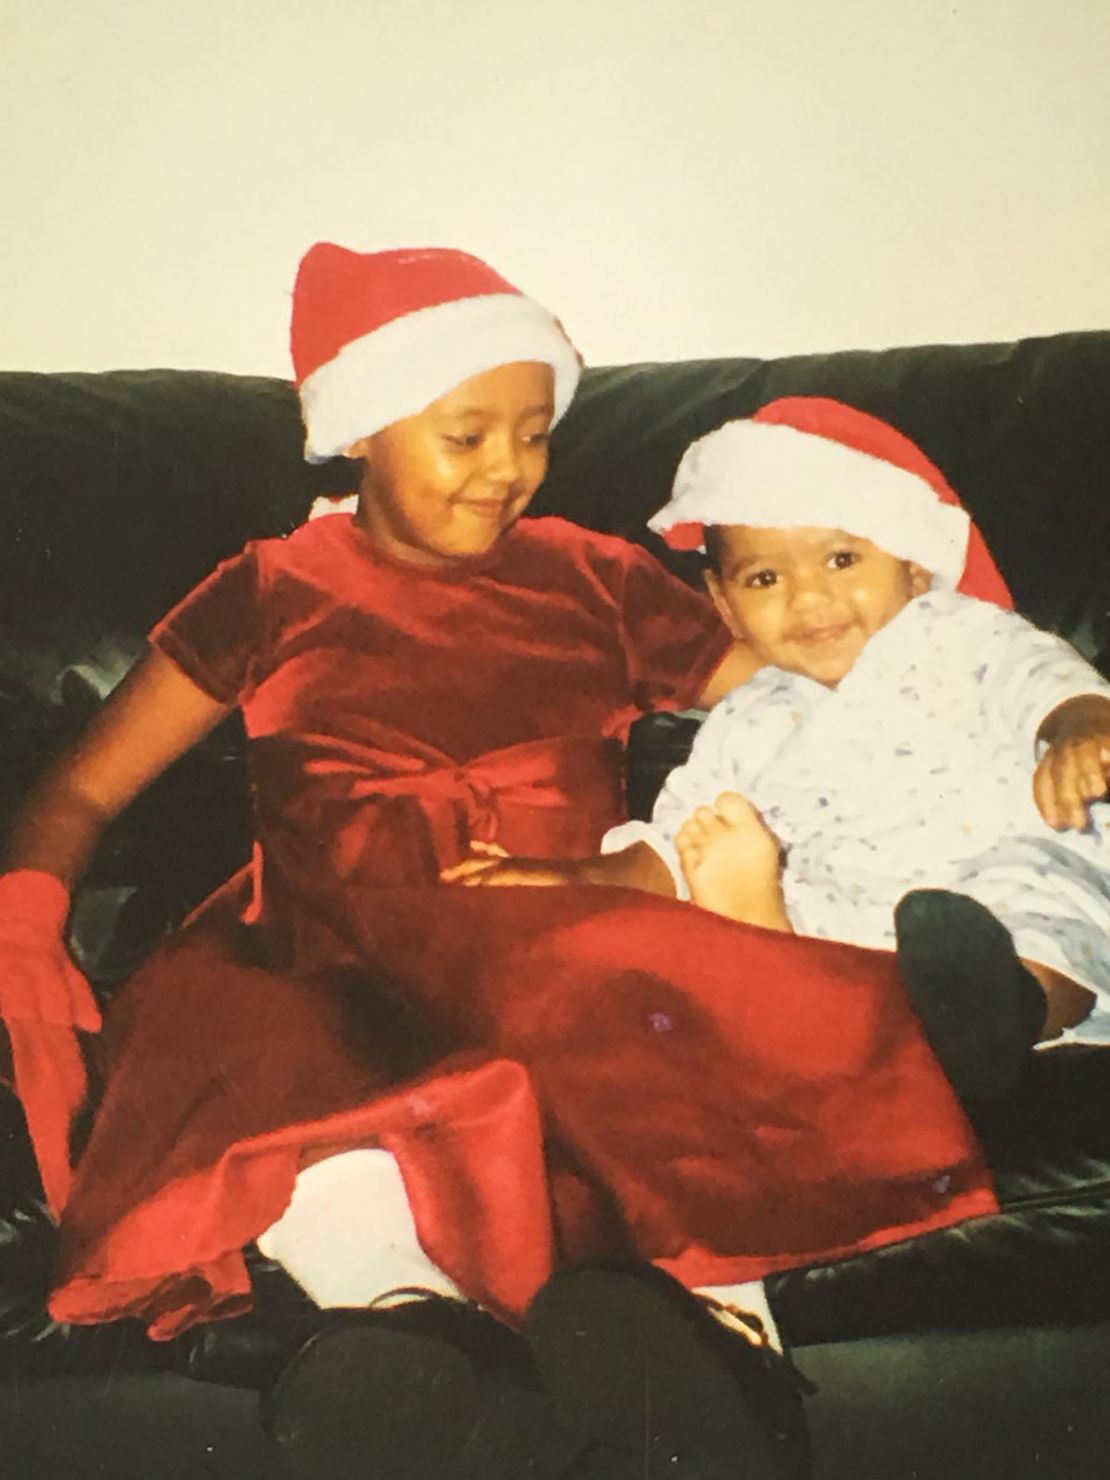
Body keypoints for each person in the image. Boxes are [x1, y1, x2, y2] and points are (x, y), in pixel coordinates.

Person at [0, 255, 1000, 1480]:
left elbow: (824, 683)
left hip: (550, 925)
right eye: (465, 433)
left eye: (533, 433)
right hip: (326, 942)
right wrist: (28, 910)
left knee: (650, 1024)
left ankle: (723, 1353)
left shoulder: (594, 577)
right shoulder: (270, 590)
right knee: (278, 1075)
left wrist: (1003, 674)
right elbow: (87, 783)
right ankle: (408, 1344)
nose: (507, 468)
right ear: (359, 431)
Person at [597, 397, 1110, 1123]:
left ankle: (998, 1013)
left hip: (1000, 868)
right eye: (764, 579)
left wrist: (1080, 728)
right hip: (854, 912)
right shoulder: (748, 714)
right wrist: (583, 879)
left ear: (910, 564)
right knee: (774, 903)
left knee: (1041, 901)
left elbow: (1040, 680)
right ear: (724, 602)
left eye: (841, 559)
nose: (809, 598)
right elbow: (687, 834)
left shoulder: (958, 635)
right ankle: (791, 970)